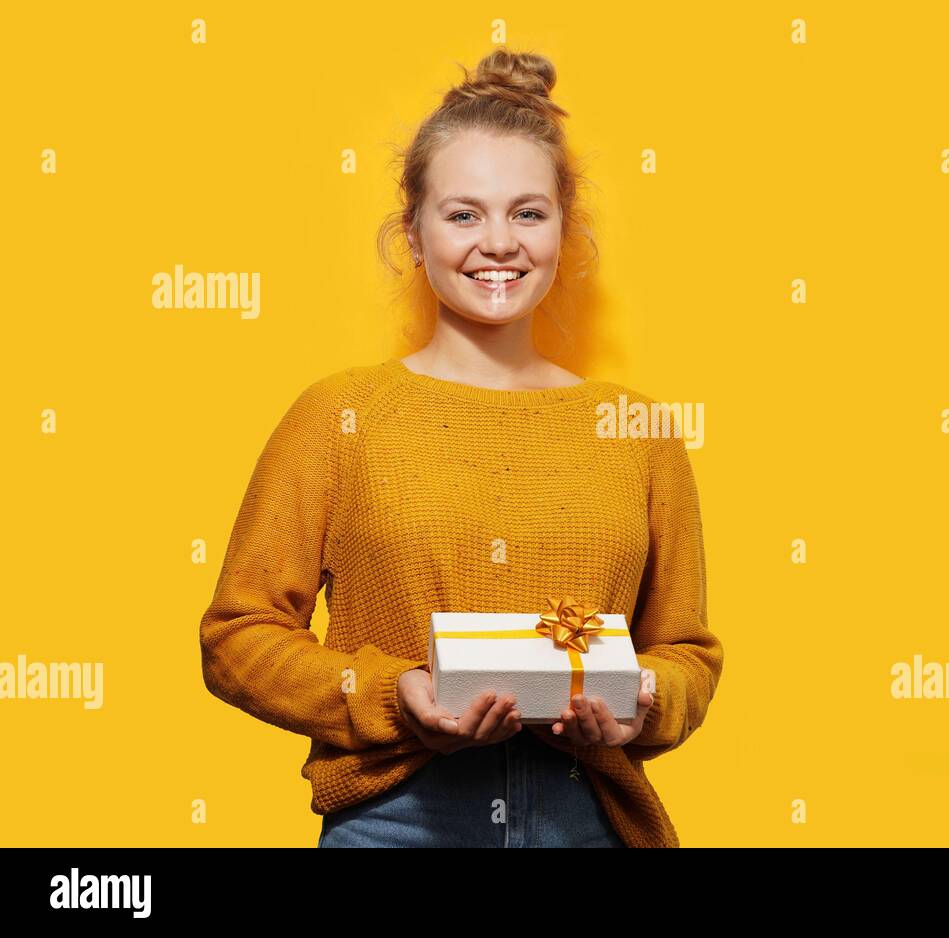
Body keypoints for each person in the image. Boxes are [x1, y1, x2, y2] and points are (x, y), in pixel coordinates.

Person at [198, 47, 723, 848]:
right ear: (413, 233)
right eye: (464, 213)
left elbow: (687, 651)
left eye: (527, 212)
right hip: (396, 820)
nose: (499, 243)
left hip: (589, 819)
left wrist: (642, 698)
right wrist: (388, 693)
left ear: (562, 228)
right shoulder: (340, 416)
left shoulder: (639, 432)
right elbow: (238, 637)